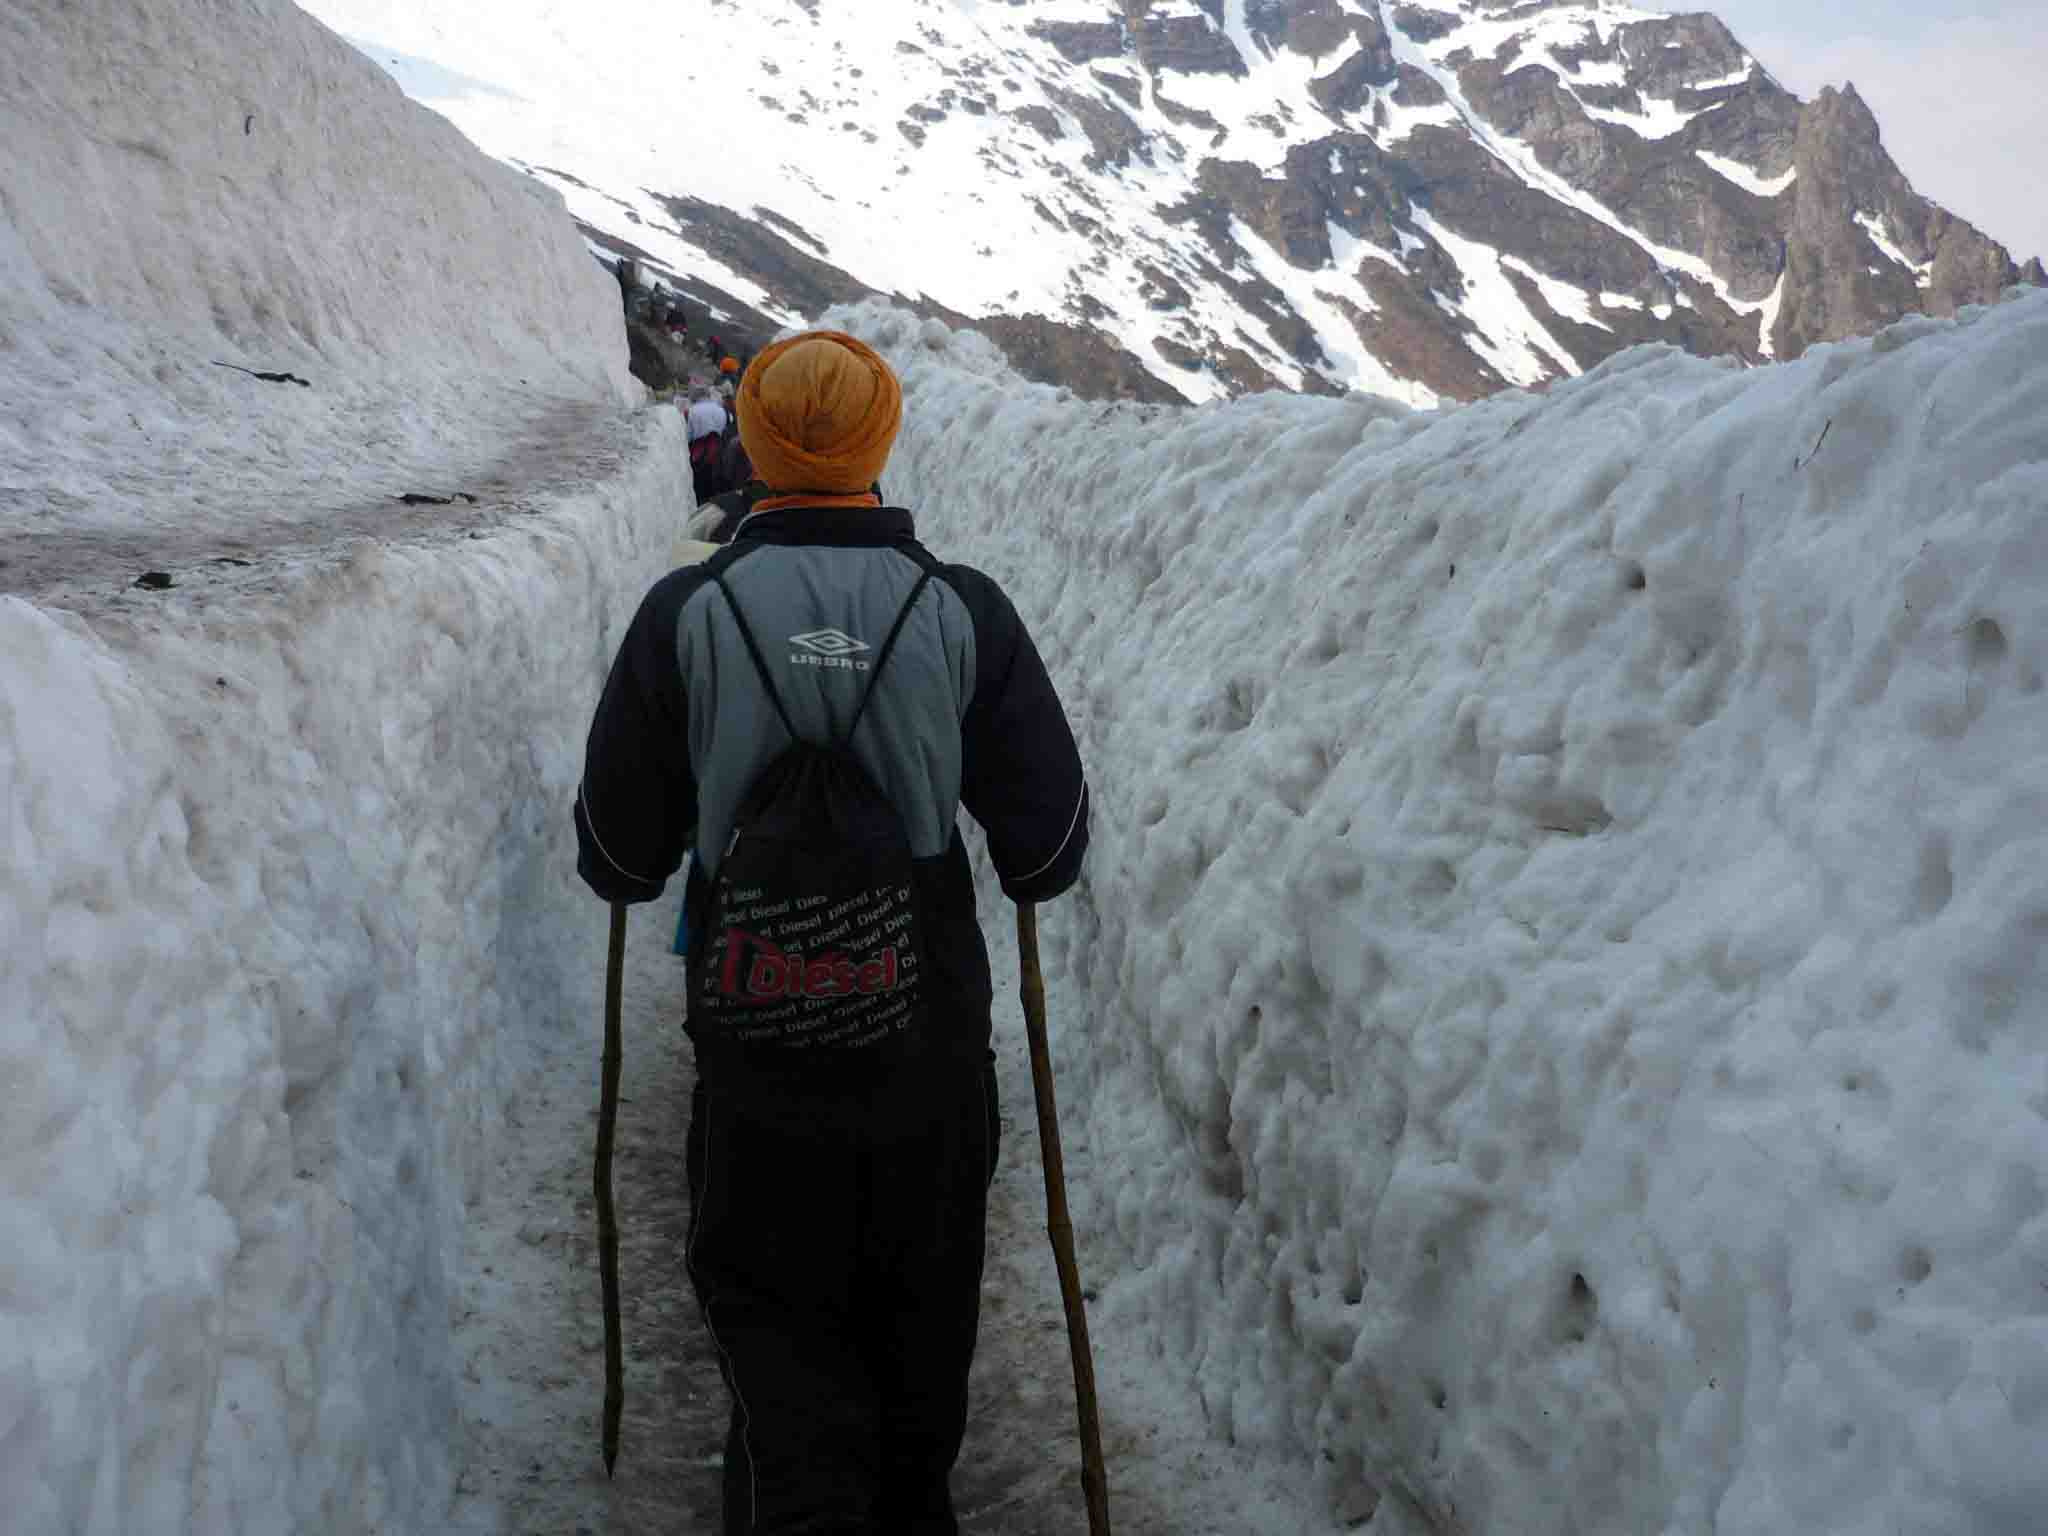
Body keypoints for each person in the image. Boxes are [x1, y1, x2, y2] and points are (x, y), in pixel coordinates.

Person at [574, 330, 1089, 1535]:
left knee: (781, 1369)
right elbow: (1046, 852)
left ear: (749, 440)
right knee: (917, 1368)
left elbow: (615, 854)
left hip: (757, 1056)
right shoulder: (960, 611)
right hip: (928, 1059)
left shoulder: (687, 612)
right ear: (880, 437)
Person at [685, 389, 730, 503]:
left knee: (701, 488)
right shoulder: (721, 410)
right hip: (718, 454)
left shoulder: (692, 411)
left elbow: (688, 436)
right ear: (708, 396)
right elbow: (726, 430)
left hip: (699, 455)